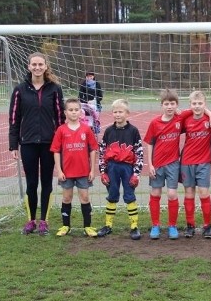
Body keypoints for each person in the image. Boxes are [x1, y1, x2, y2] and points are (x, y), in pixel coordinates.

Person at [9, 52, 65, 236]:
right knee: (31, 183)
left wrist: (60, 143)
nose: (37, 67)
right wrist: (13, 145)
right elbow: (14, 119)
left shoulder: (55, 89)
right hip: (28, 143)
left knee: (47, 182)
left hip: (49, 143)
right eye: (34, 64)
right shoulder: (20, 90)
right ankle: (31, 220)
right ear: (28, 67)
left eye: (41, 64)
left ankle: (44, 221)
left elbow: (60, 118)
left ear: (46, 66)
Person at [50, 98, 99, 237]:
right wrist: (59, 170)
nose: (73, 112)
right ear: (65, 112)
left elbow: (93, 149)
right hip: (66, 172)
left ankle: (88, 226)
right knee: (66, 198)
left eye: (76, 110)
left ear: (80, 112)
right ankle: (66, 226)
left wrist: (92, 170)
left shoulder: (86, 129)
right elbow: (56, 151)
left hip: (83, 171)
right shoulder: (61, 130)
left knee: (84, 197)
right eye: (70, 110)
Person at [96, 99, 144, 240]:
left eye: (120, 111)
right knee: (112, 195)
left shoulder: (134, 131)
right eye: (115, 111)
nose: (117, 114)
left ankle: (134, 227)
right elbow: (102, 151)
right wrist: (103, 171)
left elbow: (139, 153)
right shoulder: (109, 131)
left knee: (129, 196)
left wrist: (136, 173)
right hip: (112, 167)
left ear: (127, 113)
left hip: (128, 167)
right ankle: (108, 225)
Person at [180, 91, 211, 238]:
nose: (197, 106)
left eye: (200, 103)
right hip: (187, 161)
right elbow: (174, 118)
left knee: (204, 193)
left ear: (205, 104)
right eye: (194, 104)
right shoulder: (186, 119)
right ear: (190, 105)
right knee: (189, 193)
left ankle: (207, 225)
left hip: (203, 162)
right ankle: (190, 225)